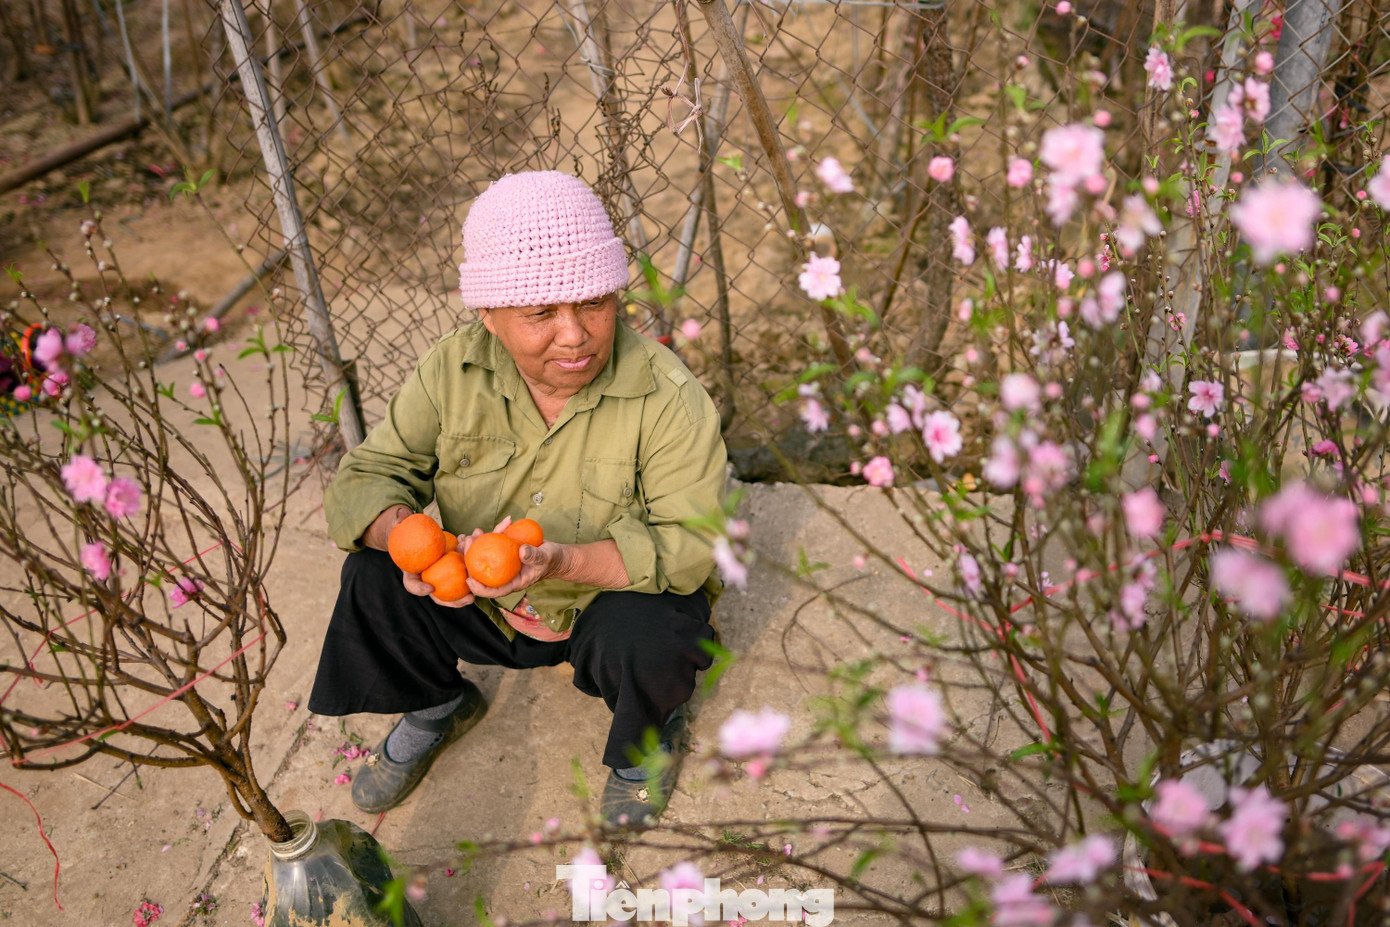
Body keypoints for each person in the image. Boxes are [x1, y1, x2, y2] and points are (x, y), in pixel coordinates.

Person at [308, 171, 727, 830]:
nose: (575, 335)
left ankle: (647, 740)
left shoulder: (667, 395)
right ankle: (437, 703)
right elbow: (372, 474)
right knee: (370, 575)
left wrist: (561, 560)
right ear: (489, 315)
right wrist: (413, 544)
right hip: (482, 595)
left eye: (593, 303)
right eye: (541, 313)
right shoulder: (452, 369)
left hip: (597, 610)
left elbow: (691, 546)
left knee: (657, 629)